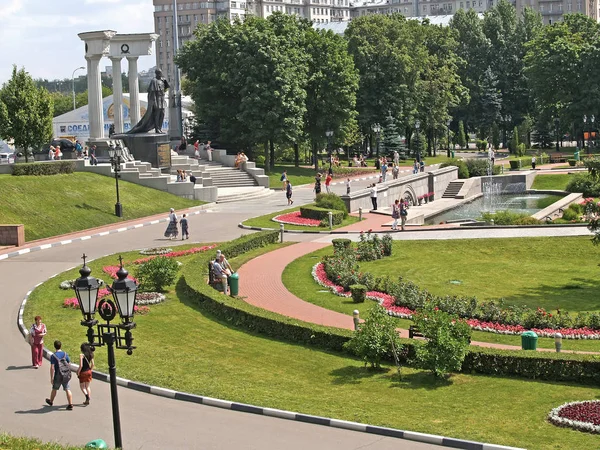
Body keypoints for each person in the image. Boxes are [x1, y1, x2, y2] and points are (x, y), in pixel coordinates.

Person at [127, 68, 170, 134]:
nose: (160, 74)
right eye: (159, 73)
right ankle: (157, 129)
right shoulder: (154, 81)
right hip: (157, 99)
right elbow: (152, 93)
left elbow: (167, 87)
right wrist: (154, 102)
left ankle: (160, 128)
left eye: (161, 73)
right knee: (157, 114)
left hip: (162, 99)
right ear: (156, 73)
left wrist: (165, 81)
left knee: (162, 113)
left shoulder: (162, 80)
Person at [45, 340, 73, 410]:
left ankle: (51, 401)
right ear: (61, 346)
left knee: (54, 388)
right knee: (67, 388)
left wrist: (51, 378)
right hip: (65, 374)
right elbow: (69, 363)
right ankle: (70, 404)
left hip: (58, 374)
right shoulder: (65, 354)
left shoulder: (53, 356)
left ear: (54, 347)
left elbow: (52, 367)